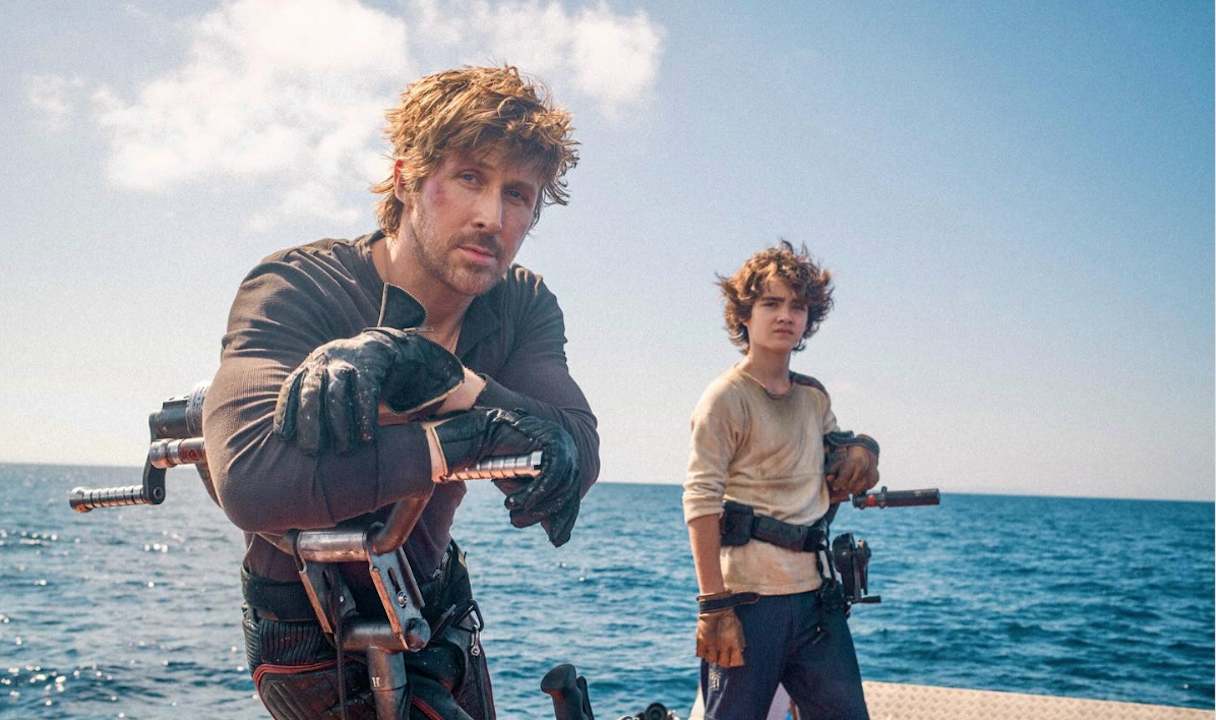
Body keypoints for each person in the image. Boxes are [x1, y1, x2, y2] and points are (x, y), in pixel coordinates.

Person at [202, 65, 599, 720]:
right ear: (406, 176)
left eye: (519, 194)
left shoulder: (521, 305)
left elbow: (573, 451)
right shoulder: (300, 285)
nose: (492, 216)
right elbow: (252, 481)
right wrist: (459, 438)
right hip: (309, 623)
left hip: (434, 605)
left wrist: (444, 379)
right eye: (470, 176)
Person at [682, 241, 880, 720]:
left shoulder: (814, 398)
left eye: (797, 305)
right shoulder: (724, 398)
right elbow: (701, 500)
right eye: (770, 302)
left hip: (817, 599)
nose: (785, 315)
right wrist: (713, 607)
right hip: (749, 603)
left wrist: (865, 452)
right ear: (744, 315)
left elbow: (843, 459)